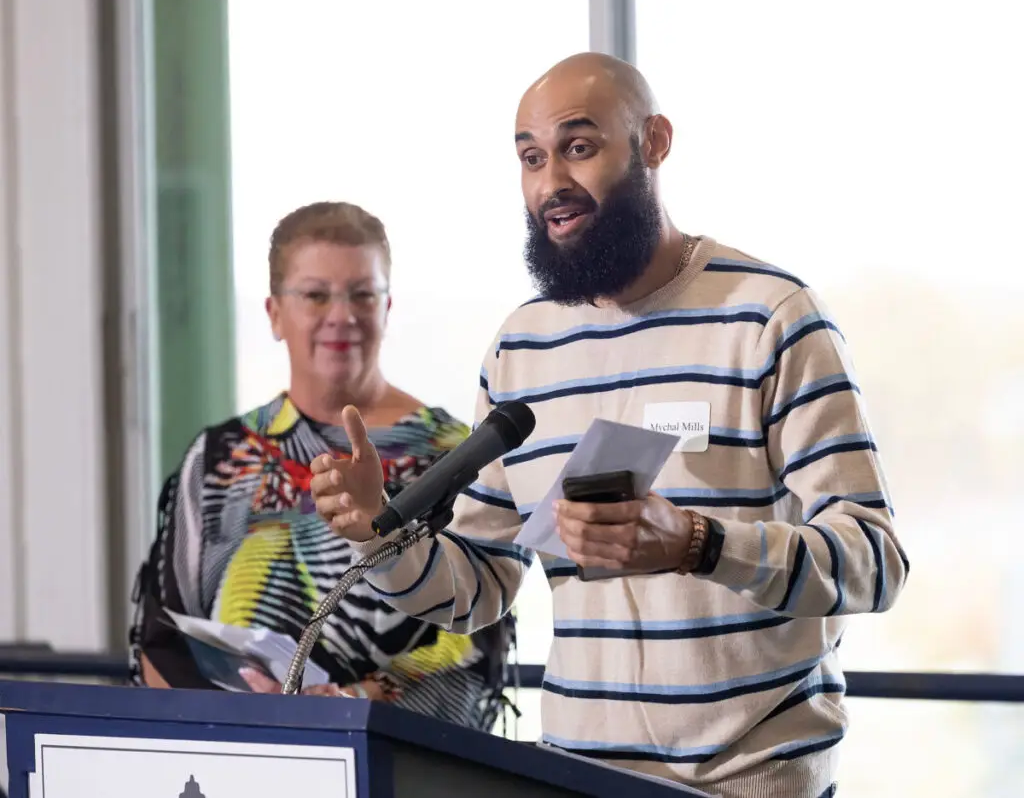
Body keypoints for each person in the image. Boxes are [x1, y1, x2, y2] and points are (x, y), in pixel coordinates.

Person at [308, 54, 908, 798]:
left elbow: (873, 560)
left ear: (654, 142)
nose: (550, 181)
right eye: (530, 157)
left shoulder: (769, 316)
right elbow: (479, 587)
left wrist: (698, 544)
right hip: (576, 778)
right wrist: (380, 530)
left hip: (752, 782)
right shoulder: (523, 346)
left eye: (578, 147)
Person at [129, 201, 512, 730]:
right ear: (274, 314)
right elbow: (160, 637)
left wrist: (349, 703)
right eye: (315, 295)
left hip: (402, 764)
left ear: (387, 307)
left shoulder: (455, 454)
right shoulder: (219, 457)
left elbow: (481, 646)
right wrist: (235, 721)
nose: (342, 315)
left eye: (362, 293)